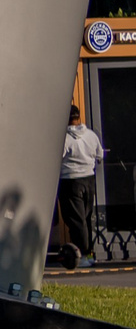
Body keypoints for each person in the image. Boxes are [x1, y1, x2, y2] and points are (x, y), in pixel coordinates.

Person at [61, 103, 103, 258]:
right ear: (79, 118)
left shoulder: (63, 138)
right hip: (89, 179)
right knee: (86, 218)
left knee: (75, 220)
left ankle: (82, 255)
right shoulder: (91, 135)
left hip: (70, 181)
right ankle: (89, 253)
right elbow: (100, 156)